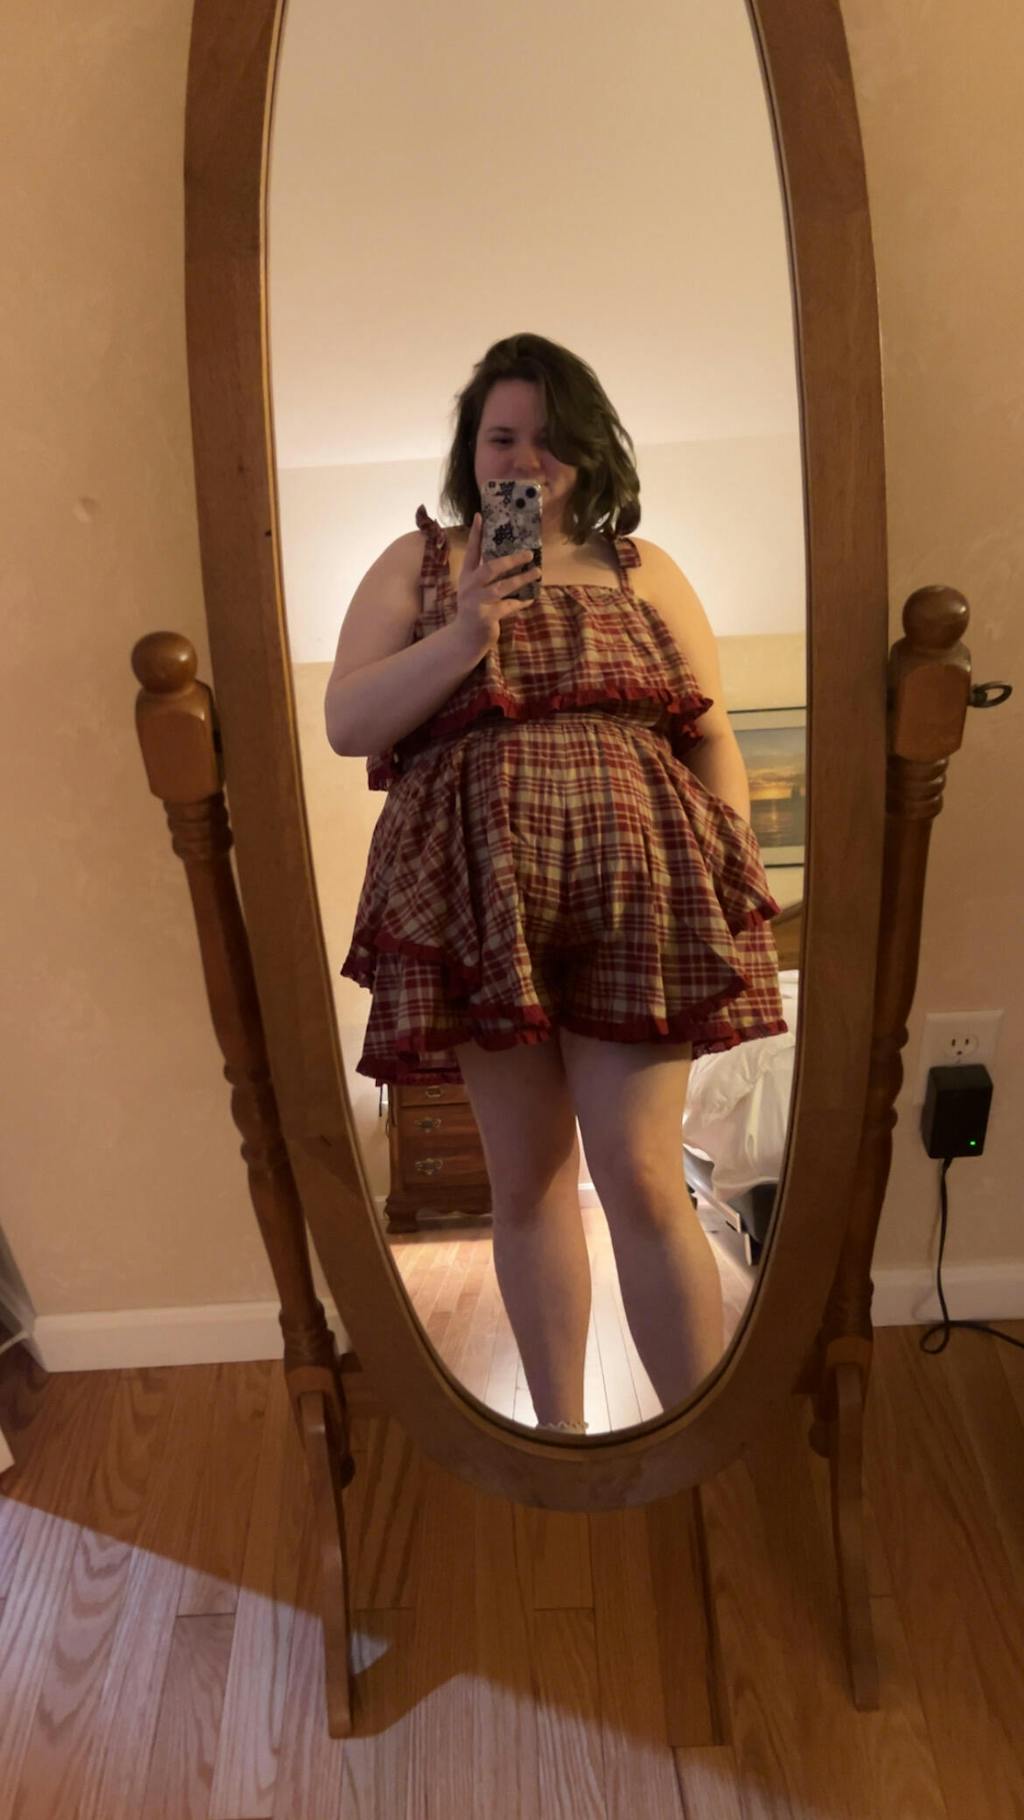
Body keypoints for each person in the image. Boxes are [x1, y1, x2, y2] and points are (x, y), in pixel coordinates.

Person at [325, 332, 785, 1433]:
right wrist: (467, 631)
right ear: (470, 451)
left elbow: (709, 734)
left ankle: (691, 1446)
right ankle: (562, 1438)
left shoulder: (644, 567)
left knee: (642, 1174)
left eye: (551, 438)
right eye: (502, 437)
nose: (526, 460)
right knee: (526, 1179)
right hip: (482, 896)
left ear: (590, 450)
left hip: (640, 886)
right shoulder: (418, 563)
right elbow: (347, 722)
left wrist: (725, 861)